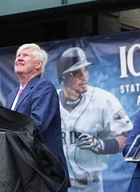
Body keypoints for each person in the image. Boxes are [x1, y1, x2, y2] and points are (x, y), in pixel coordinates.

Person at [57, 47, 133, 192]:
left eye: (85, 70)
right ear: (63, 79)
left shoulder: (104, 100)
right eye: (76, 73)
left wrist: (101, 144)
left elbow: (128, 138)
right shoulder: (49, 102)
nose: (84, 77)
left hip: (91, 187)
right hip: (58, 186)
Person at [6, 44, 69, 191]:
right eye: (18, 55)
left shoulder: (44, 87)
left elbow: (36, 125)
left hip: (44, 170)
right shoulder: (12, 95)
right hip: (22, 168)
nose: (19, 58)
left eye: (25, 55)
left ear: (38, 64)